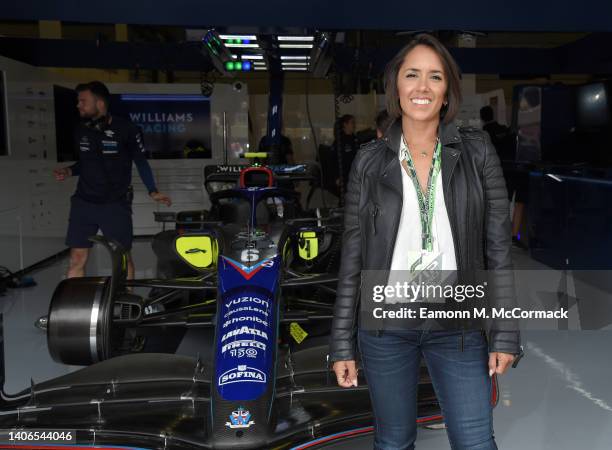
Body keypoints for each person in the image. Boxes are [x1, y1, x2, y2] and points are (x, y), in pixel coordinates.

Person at [329, 34, 521, 449]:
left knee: (475, 441)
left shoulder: (477, 152)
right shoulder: (369, 160)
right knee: (394, 441)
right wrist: (341, 341)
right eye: (412, 74)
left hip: (457, 324)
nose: (422, 87)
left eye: (435, 77)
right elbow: (354, 254)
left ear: (447, 89)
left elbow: (498, 249)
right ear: (396, 86)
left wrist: (505, 330)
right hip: (385, 327)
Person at [54, 81, 171, 280]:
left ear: (99, 104)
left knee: (122, 259)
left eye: (83, 101)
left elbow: (141, 163)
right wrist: (69, 170)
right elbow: (85, 164)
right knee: (76, 258)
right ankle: (76, 307)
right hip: (84, 202)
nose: (78, 105)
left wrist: (152, 190)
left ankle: (125, 305)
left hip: (115, 204)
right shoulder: (80, 130)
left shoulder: (127, 129)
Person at [480, 105, 527, 248]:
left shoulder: (484, 133)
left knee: (499, 203)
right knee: (519, 202)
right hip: (518, 168)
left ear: (482, 118)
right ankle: (514, 235)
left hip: (499, 171)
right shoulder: (505, 129)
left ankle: (497, 235)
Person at [332, 114, 359, 191]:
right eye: (352, 122)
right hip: (344, 177)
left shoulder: (355, 139)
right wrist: (337, 177)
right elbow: (334, 160)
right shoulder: (339, 141)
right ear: (345, 124)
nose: (354, 125)